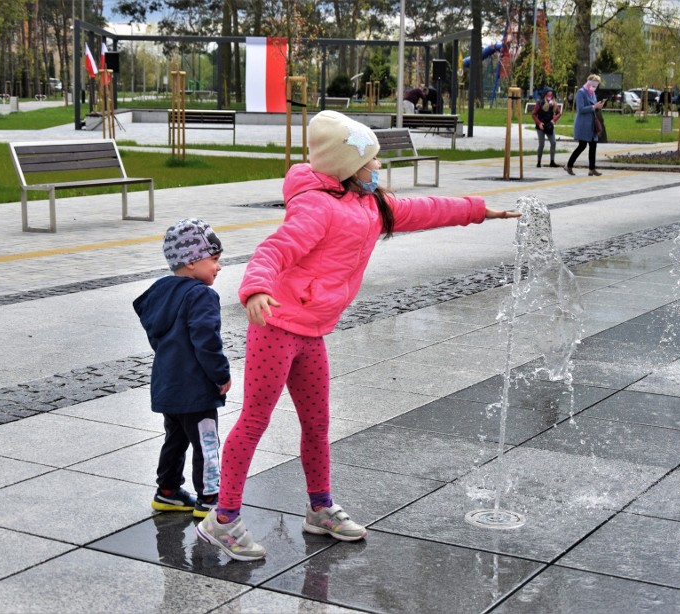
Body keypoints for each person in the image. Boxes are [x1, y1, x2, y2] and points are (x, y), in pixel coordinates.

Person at [195, 110, 522, 561]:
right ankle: (224, 518)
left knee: (318, 422)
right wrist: (255, 289)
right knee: (255, 420)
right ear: (348, 167)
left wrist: (478, 210)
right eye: (372, 162)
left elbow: (425, 210)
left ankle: (320, 507)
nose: (379, 169)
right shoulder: (316, 206)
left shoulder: (371, 205)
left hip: (312, 332)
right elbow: (276, 247)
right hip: (275, 327)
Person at [133, 218, 232, 520]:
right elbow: (206, 340)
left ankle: (168, 492)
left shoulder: (160, 292)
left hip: (167, 384)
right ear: (191, 262)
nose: (218, 267)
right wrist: (221, 374)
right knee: (206, 442)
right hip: (196, 388)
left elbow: (159, 337)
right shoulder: (201, 295)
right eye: (213, 259)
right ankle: (210, 498)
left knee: (174, 439)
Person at [564, 74, 604, 177]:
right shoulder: (581, 92)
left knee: (593, 145)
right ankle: (568, 165)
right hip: (583, 124)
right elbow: (580, 109)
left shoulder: (592, 94)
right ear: (589, 83)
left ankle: (592, 169)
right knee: (582, 145)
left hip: (592, 124)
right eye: (593, 85)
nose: (594, 87)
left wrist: (598, 106)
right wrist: (593, 106)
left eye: (596, 86)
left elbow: (593, 107)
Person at [532, 87, 562, 168]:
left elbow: (559, 113)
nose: (550, 96)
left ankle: (552, 162)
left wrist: (553, 120)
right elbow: (534, 114)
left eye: (551, 95)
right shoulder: (540, 103)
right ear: (545, 94)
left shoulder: (554, 103)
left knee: (553, 142)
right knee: (541, 144)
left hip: (549, 125)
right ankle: (538, 162)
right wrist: (539, 123)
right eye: (548, 94)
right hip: (541, 126)